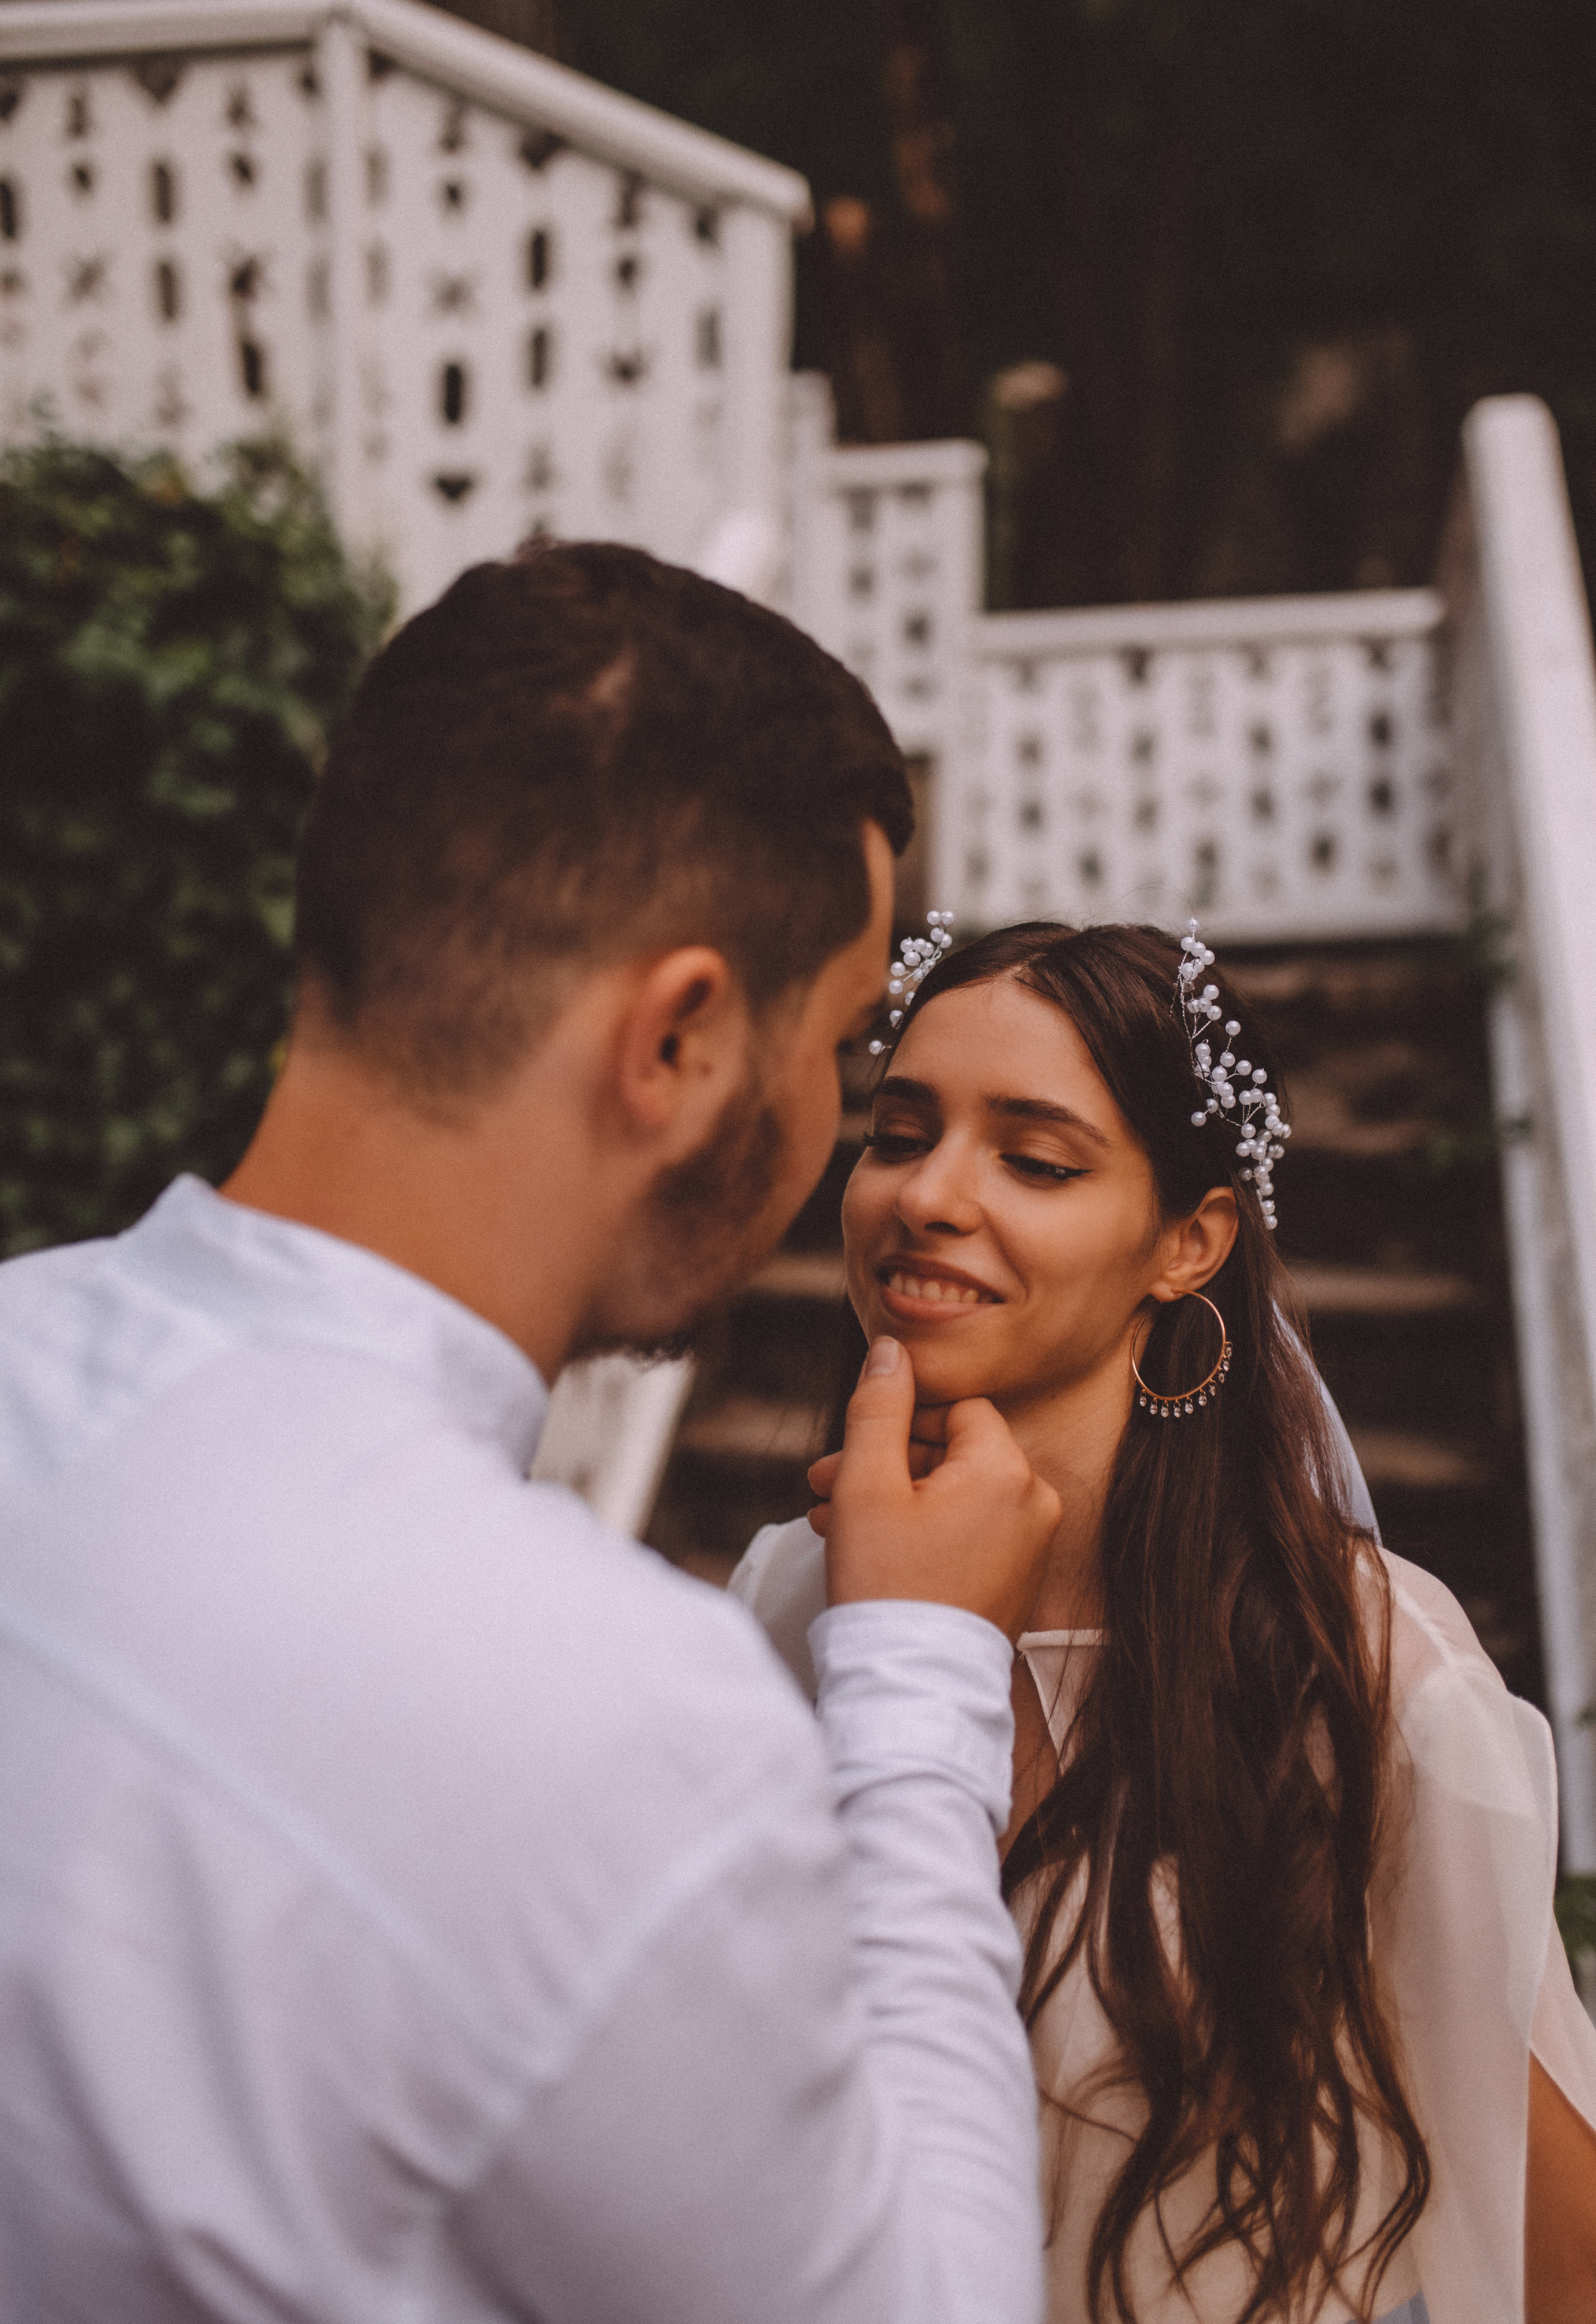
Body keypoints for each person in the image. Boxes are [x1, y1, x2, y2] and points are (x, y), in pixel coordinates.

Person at [0, 543, 1067, 2323]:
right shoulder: (625, 1735)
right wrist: (921, 1673)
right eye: (840, 1052)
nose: (833, 1139)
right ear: (679, 1043)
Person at [733, 919, 1596, 2323]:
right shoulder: (787, 1595)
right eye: (898, 1133)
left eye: (1034, 1158)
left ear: (1186, 1240)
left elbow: (1560, 2254)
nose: (927, 1195)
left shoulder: (1362, 1667)